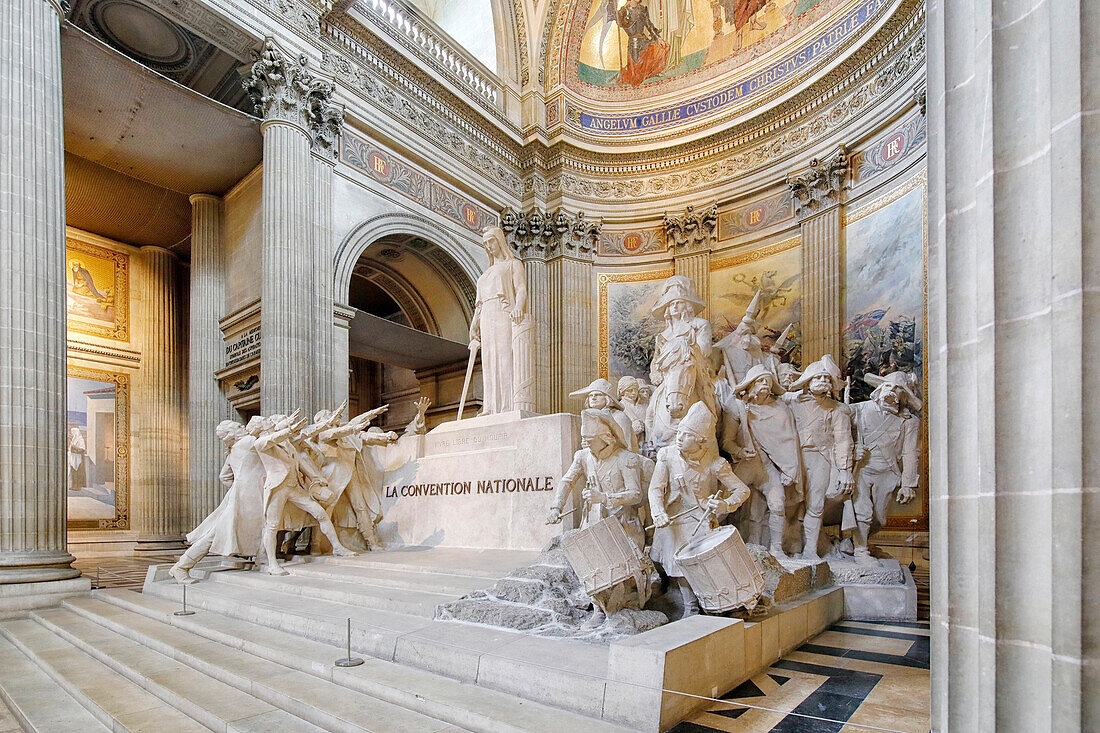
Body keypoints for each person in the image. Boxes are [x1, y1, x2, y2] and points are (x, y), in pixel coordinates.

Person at [648, 402, 751, 615]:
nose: (680, 437)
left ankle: (714, 602)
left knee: (704, 560)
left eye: (687, 435)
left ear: (701, 441)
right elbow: (655, 489)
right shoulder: (667, 456)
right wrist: (658, 512)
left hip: (700, 520)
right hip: (672, 519)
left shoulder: (715, 463)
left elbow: (742, 491)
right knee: (675, 557)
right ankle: (690, 606)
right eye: (680, 432)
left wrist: (724, 504)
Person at [256, 412, 358, 576]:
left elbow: (302, 463)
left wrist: (317, 479)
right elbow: (270, 440)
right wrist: (287, 430)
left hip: (294, 487)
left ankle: (338, 547)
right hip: (277, 489)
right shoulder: (262, 443)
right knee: (272, 525)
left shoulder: (289, 445)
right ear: (274, 426)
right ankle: (272, 564)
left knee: (320, 513)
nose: (287, 423)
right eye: (283, 420)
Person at [171, 418, 267, 583]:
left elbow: (224, 476)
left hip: (244, 493)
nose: (243, 426)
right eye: (238, 426)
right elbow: (270, 440)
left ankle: (262, 558)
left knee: (261, 525)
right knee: (215, 533)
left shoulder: (234, 449)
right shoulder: (247, 442)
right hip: (246, 495)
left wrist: (236, 487)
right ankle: (181, 566)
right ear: (232, 434)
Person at [724, 365, 803, 557]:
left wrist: (788, 471)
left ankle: (776, 549)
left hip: (767, 467)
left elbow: (788, 442)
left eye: (768, 382)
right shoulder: (737, 406)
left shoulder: (780, 409)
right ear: (751, 384)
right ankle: (708, 540)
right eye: (760, 381)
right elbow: (726, 441)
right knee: (724, 504)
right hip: (745, 465)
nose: (764, 386)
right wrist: (740, 452)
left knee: (777, 504)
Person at [788, 355, 855, 562]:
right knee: (789, 504)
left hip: (820, 459)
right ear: (808, 381)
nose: (823, 382)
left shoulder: (836, 410)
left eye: (827, 379)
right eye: (818, 378)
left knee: (815, 505)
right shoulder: (791, 404)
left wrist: (844, 470)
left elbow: (844, 440)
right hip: (793, 459)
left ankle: (810, 549)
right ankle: (788, 544)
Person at [851, 371, 920, 562]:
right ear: (880, 388)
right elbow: (838, 432)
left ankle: (855, 542)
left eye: (898, 388)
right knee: (862, 510)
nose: (892, 389)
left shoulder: (909, 422)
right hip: (863, 469)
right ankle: (861, 550)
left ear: (903, 396)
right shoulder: (859, 410)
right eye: (889, 385)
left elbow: (910, 452)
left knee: (879, 519)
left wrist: (908, 484)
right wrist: (853, 450)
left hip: (888, 472)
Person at [469, 227, 534, 414]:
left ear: (499, 241)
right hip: (486, 316)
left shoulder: (513, 264)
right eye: (485, 244)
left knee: (505, 358)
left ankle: (507, 406)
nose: (488, 246)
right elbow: (479, 304)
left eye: (491, 241)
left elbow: (521, 289)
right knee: (489, 360)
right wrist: (474, 325)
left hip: (503, 312)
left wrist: (518, 308)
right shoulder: (487, 272)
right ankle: (490, 406)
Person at [647, 275, 717, 449]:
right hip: (669, 378)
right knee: (651, 406)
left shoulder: (699, 325)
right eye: (671, 304)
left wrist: (685, 350)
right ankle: (650, 443)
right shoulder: (662, 336)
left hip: (695, 372)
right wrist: (655, 374)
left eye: (678, 302)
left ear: (687, 304)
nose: (674, 306)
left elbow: (705, 350)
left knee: (722, 404)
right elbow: (656, 361)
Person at [570, 378, 638, 452]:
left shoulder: (619, 416)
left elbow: (626, 446)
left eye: (598, 395)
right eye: (590, 395)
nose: (593, 398)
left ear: (607, 398)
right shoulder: (590, 418)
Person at [616, 0, 669, 86]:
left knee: (663, 47)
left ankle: (650, 73)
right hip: (634, 43)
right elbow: (620, 23)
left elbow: (649, 25)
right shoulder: (624, 11)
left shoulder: (642, 9)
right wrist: (622, 10)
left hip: (644, 41)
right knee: (635, 77)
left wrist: (658, 38)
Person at [617, 376, 648, 449]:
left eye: (635, 390)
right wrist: (631, 429)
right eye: (630, 390)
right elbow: (616, 431)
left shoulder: (644, 405)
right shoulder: (620, 407)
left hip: (645, 443)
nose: (634, 393)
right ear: (623, 392)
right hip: (629, 446)